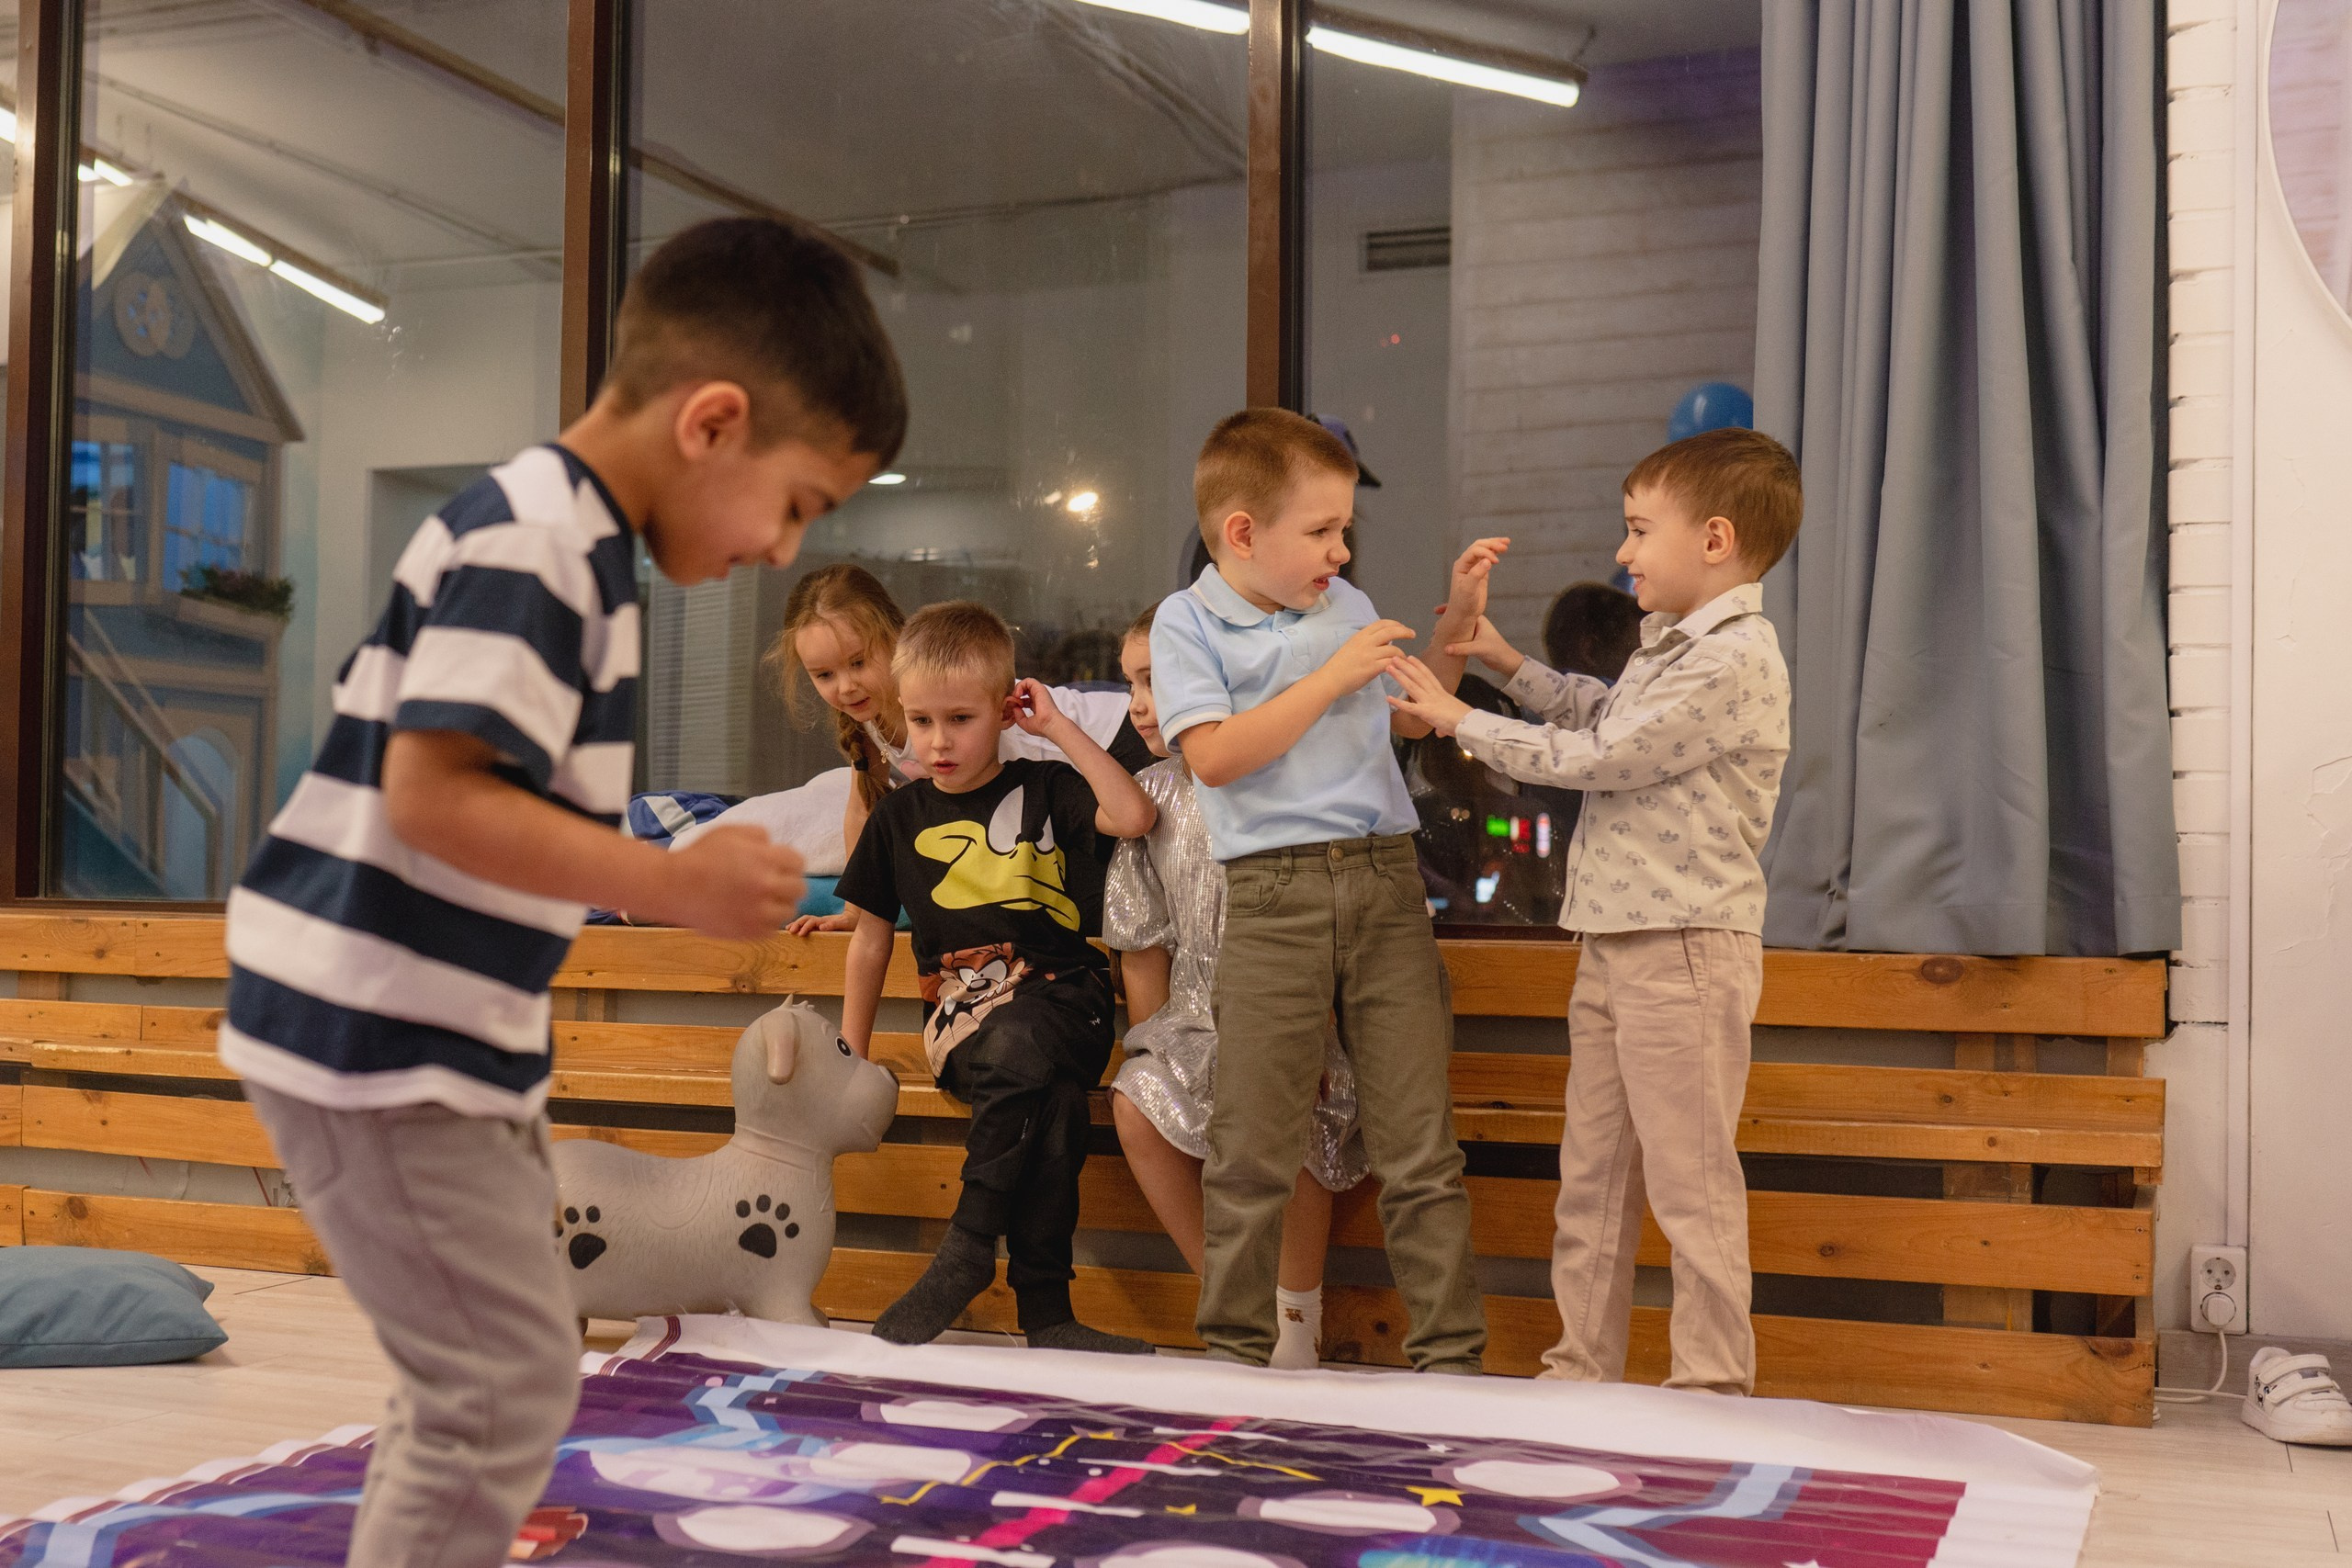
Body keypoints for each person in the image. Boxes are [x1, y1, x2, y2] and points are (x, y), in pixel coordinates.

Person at [217, 216, 906, 1568]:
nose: (782, 550)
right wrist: (672, 882)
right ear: (713, 422)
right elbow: (435, 791)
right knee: (498, 1383)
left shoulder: (568, 542)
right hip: (365, 1030)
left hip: (415, 1031)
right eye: (800, 503)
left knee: (505, 1366)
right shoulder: (541, 541)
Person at [1387, 425, 1801, 1396]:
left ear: (1713, 539)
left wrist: (1458, 719)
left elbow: (1603, 759)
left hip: (1684, 946)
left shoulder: (1732, 658)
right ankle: (1579, 1371)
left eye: (1636, 530)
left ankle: (1711, 1386)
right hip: (1615, 941)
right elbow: (1599, 714)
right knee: (1594, 1183)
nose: (1622, 553)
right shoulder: (1671, 652)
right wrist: (1492, 659)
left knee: (1691, 1186)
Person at [1148, 405, 1500, 1374]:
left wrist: (1456, 628)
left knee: (1419, 1151)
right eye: (1321, 531)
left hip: (1384, 884)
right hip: (1270, 894)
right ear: (1242, 534)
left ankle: (1451, 1363)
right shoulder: (1186, 622)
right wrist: (1326, 673)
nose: (1341, 550)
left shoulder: (1343, 607)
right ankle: (1233, 1355)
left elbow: (1407, 722)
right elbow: (1214, 759)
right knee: (1253, 1148)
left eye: (1345, 529)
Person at [834, 601, 1159, 1354]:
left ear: (1005, 709)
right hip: (962, 1022)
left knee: (1028, 1043)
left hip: (1069, 1002)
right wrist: (849, 1053)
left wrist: (1057, 729)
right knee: (1051, 1103)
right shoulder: (899, 817)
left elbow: (1134, 813)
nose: (937, 741)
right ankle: (1046, 1312)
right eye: (919, 721)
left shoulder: (1050, 788)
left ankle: (969, 1243)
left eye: (960, 718)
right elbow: (870, 945)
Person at [1104, 604, 1367, 1371]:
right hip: (1194, 1017)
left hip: (1301, 1013)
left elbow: (1331, 926)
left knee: (1295, 1111)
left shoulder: (1292, 787)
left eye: (1156, 679)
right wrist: (1153, 1048)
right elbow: (1142, 942)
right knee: (1138, 1104)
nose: (1141, 705)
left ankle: (1295, 1314)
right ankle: (1231, 1299)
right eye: (1131, 684)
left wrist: (1314, 1025)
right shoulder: (1150, 797)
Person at [771, 563, 1153, 933]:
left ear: (895, 637)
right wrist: (854, 910)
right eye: (824, 675)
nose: (845, 687)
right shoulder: (869, 713)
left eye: (858, 662)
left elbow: (1020, 806)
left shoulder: (967, 709)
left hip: (1123, 741)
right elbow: (863, 805)